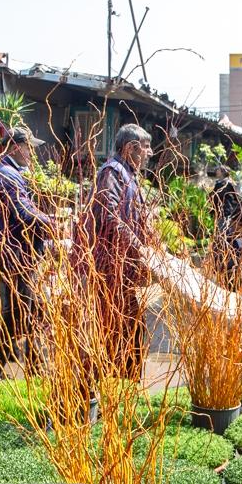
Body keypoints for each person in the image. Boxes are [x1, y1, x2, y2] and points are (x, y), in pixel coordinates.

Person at [84, 123, 154, 380]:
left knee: (131, 329)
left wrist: (152, 243)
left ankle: (125, 386)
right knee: (116, 329)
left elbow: (136, 218)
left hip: (126, 269)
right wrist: (139, 247)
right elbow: (111, 216)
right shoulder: (112, 173)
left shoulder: (129, 174)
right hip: (111, 268)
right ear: (129, 148)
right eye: (145, 148)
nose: (148, 153)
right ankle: (114, 389)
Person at [0, 127, 53, 384]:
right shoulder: (8, 174)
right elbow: (23, 212)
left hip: (17, 253)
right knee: (26, 314)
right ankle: (24, 373)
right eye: (29, 148)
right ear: (15, 147)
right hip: (17, 255)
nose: (32, 153)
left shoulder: (11, 172)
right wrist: (54, 224)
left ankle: (28, 371)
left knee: (26, 314)